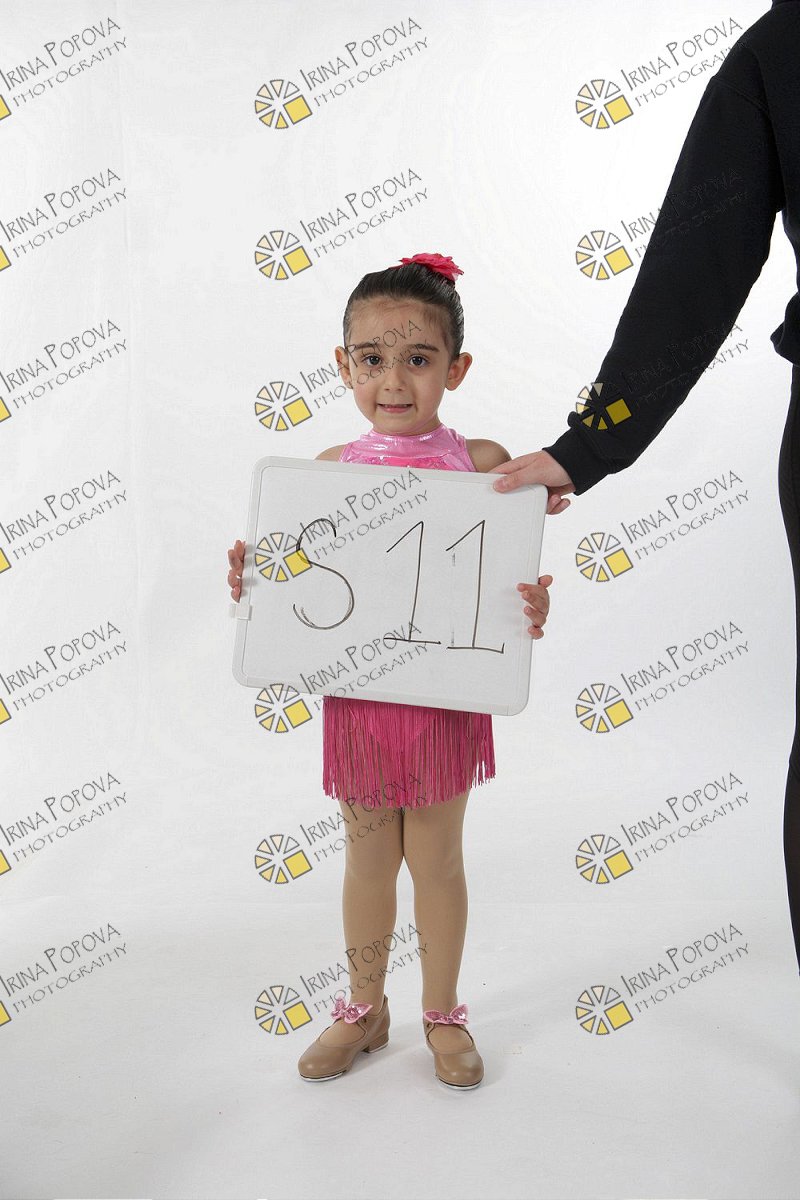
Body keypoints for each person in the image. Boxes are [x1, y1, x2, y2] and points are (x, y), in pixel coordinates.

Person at [489, 1, 800, 971]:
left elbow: (695, 262)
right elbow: (696, 263)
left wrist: (591, 444)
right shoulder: (784, 48)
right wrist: (588, 444)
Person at [226, 251, 553, 1088]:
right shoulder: (329, 469)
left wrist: (528, 606)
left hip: (445, 696)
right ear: (343, 366)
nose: (394, 381)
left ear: (456, 369)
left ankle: (442, 1012)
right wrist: (256, 585)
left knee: (436, 859)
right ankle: (364, 1007)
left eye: (418, 358)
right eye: (372, 359)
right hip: (363, 697)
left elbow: (503, 577)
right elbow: (303, 587)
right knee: (367, 858)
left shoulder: (483, 464)